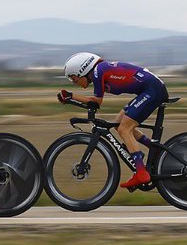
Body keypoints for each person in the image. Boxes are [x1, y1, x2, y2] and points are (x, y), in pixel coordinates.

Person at [59, 52, 169, 190]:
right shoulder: (99, 71)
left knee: (124, 129)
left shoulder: (98, 71)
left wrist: (71, 96)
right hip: (149, 90)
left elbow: (96, 102)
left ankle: (141, 172)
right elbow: (94, 102)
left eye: (73, 78)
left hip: (152, 91)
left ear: (82, 70)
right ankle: (153, 148)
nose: (74, 82)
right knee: (118, 124)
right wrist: (71, 98)